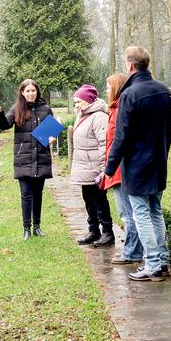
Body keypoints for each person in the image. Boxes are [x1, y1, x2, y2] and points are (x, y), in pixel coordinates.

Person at [104, 46, 171, 282]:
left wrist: (109, 168)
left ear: (130, 65)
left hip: (136, 164)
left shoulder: (130, 95)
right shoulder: (164, 91)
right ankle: (162, 260)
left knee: (142, 212)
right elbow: (169, 130)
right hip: (158, 161)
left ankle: (153, 263)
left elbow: (121, 136)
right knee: (155, 210)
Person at [0, 79, 53, 241]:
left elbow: (51, 131)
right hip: (23, 157)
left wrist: (51, 138)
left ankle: (37, 226)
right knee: (26, 194)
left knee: (38, 193)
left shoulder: (45, 109)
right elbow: (5, 125)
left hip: (41, 157)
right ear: (22, 93)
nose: (31, 94)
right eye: (27, 91)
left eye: (33, 91)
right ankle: (26, 228)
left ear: (37, 91)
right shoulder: (17, 109)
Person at [100, 73, 143, 265]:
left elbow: (119, 141)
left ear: (117, 88)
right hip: (117, 166)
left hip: (120, 169)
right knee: (129, 212)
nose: (106, 90)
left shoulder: (119, 111)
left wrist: (110, 167)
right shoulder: (115, 109)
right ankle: (134, 250)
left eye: (109, 87)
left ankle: (132, 252)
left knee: (127, 213)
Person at [71, 84, 115, 247]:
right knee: (88, 200)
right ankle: (93, 230)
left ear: (88, 101)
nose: (76, 105)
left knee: (99, 200)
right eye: (75, 102)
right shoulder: (82, 115)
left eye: (79, 101)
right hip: (84, 167)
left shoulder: (98, 117)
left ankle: (108, 233)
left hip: (95, 167)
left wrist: (103, 169)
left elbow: (104, 143)